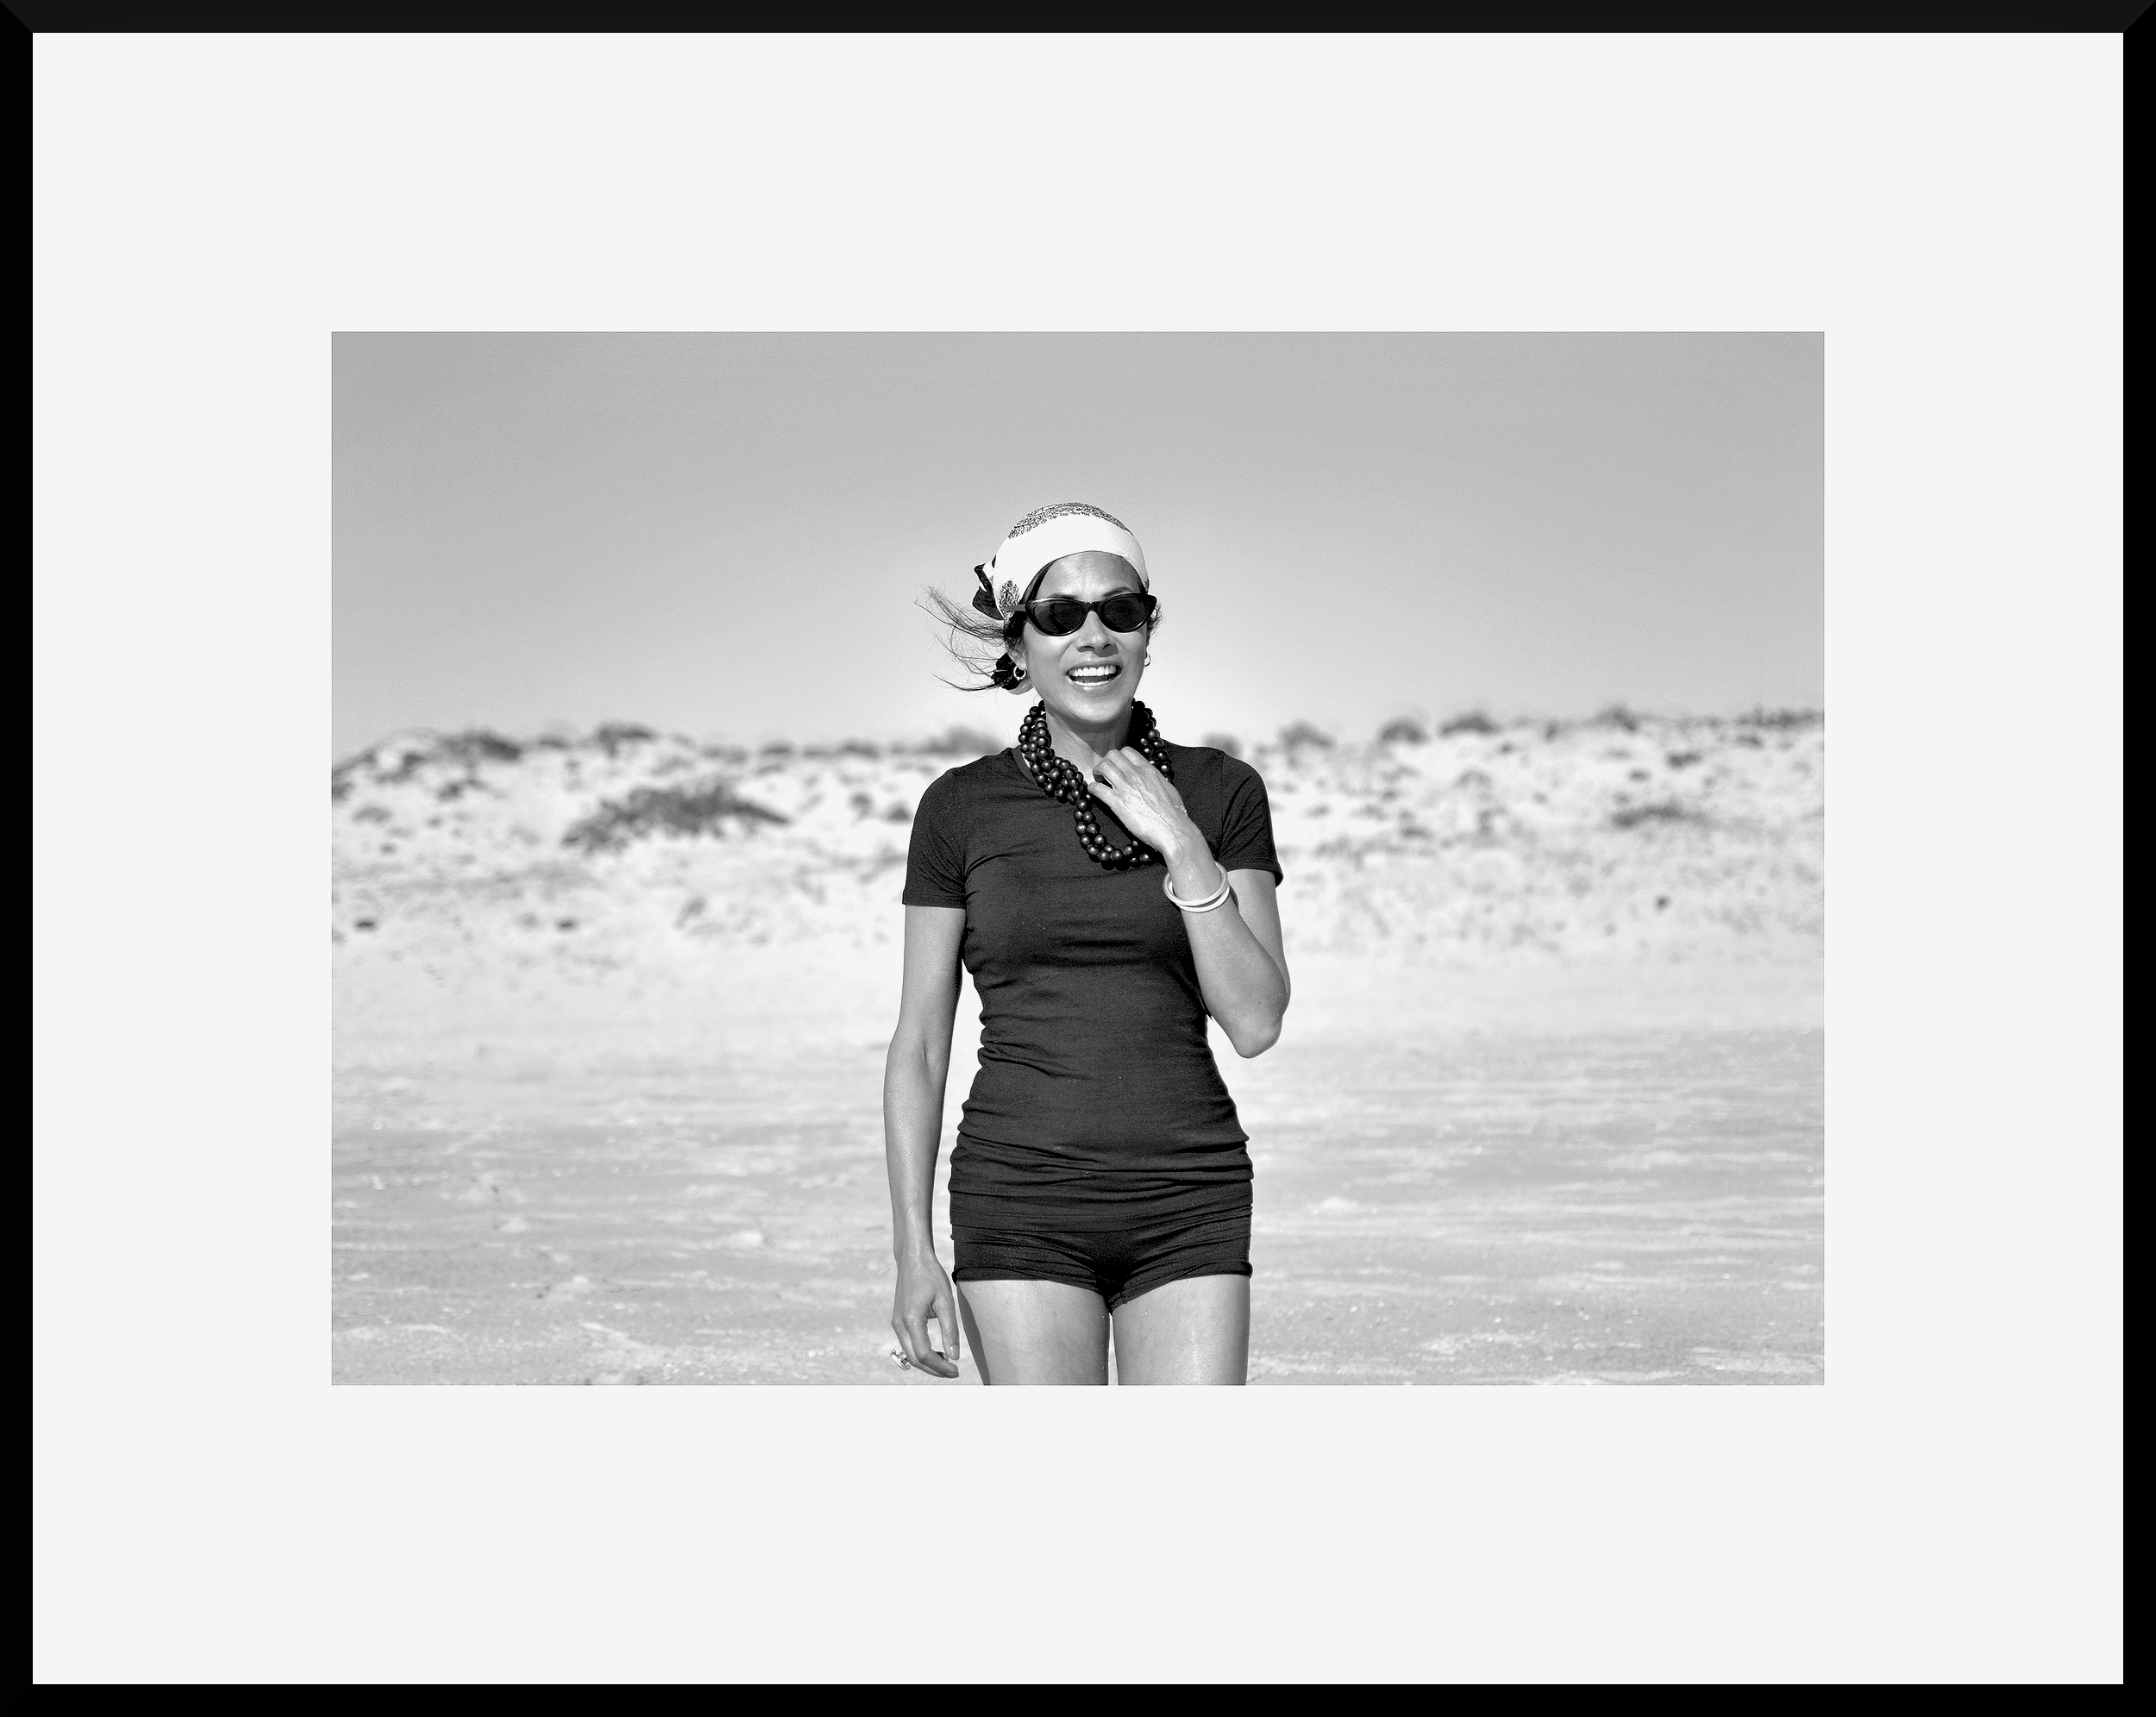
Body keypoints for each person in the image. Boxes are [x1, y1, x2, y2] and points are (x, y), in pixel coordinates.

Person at [885, 503, 1290, 1385]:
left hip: (1189, 1195)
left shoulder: (1221, 792)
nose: (1094, 635)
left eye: (1122, 608)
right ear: (1019, 642)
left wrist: (1181, 841)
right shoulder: (959, 810)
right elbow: (919, 1042)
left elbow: (1255, 1019)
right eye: (1060, 615)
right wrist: (912, 1246)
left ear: (1149, 627)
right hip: (1018, 1199)